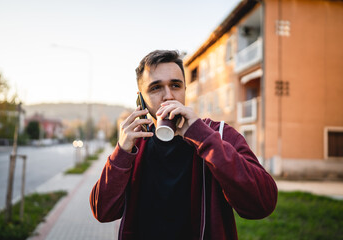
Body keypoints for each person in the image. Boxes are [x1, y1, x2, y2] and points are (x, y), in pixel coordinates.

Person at [90, 50, 277, 240]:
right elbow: (103, 211)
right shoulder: (134, 144)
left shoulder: (219, 134)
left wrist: (202, 136)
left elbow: (263, 204)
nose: (169, 96)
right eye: (155, 88)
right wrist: (121, 151)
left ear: (185, 90)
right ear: (141, 100)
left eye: (176, 85)